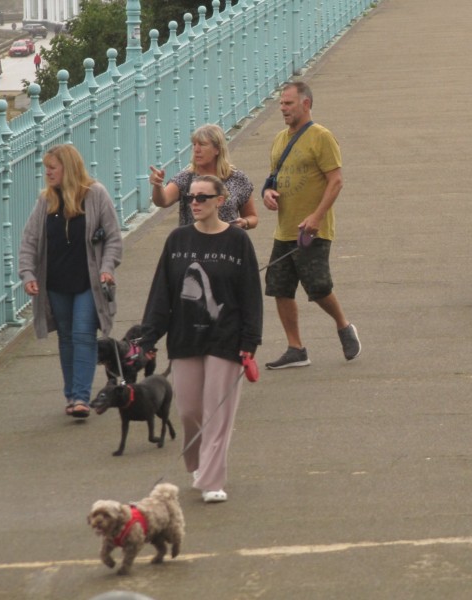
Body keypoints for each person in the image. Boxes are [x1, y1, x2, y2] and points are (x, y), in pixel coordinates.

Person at [139, 175, 263, 503]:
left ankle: (212, 480)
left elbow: (251, 293)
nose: (195, 203)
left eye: (202, 197)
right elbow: (161, 293)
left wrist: (250, 341)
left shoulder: (237, 242)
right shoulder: (177, 241)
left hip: (226, 337)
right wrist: (147, 337)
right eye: (191, 198)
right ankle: (197, 461)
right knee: (189, 409)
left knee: (217, 412)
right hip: (184, 336)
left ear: (220, 201)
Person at [18, 144, 122, 418]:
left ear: (69, 168)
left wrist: (107, 267)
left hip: (88, 282)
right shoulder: (46, 201)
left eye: (53, 167)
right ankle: (71, 394)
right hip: (55, 282)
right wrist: (28, 274)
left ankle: (80, 398)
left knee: (82, 335)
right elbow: (29, 241)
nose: (48, 172)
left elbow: (113, 237)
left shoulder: (95, 194)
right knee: (66, 338)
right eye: (46, 168)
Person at [262, 81, 361, 369]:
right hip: (285, 228)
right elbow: (273, 178)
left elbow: (336, 180)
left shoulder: (321, 137)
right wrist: (267, 193)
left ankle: (344, 326)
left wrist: (316, 217)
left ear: (306, 104)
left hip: (311, 230)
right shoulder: (280, 139)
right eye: (281, 103)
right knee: (279, 287)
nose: (283, 108)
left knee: (317, 286)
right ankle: (296, 348)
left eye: (289, 103)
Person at [148, 123, 258, 231]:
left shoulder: (237, 179)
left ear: (217, 149)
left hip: (228, 245)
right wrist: (157, 186)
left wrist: (245, 222)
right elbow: (162, 201)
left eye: (202, 144)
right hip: (193, 246)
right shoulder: (186, 178)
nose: (196, 150)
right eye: (194, 144)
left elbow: (252, 217)